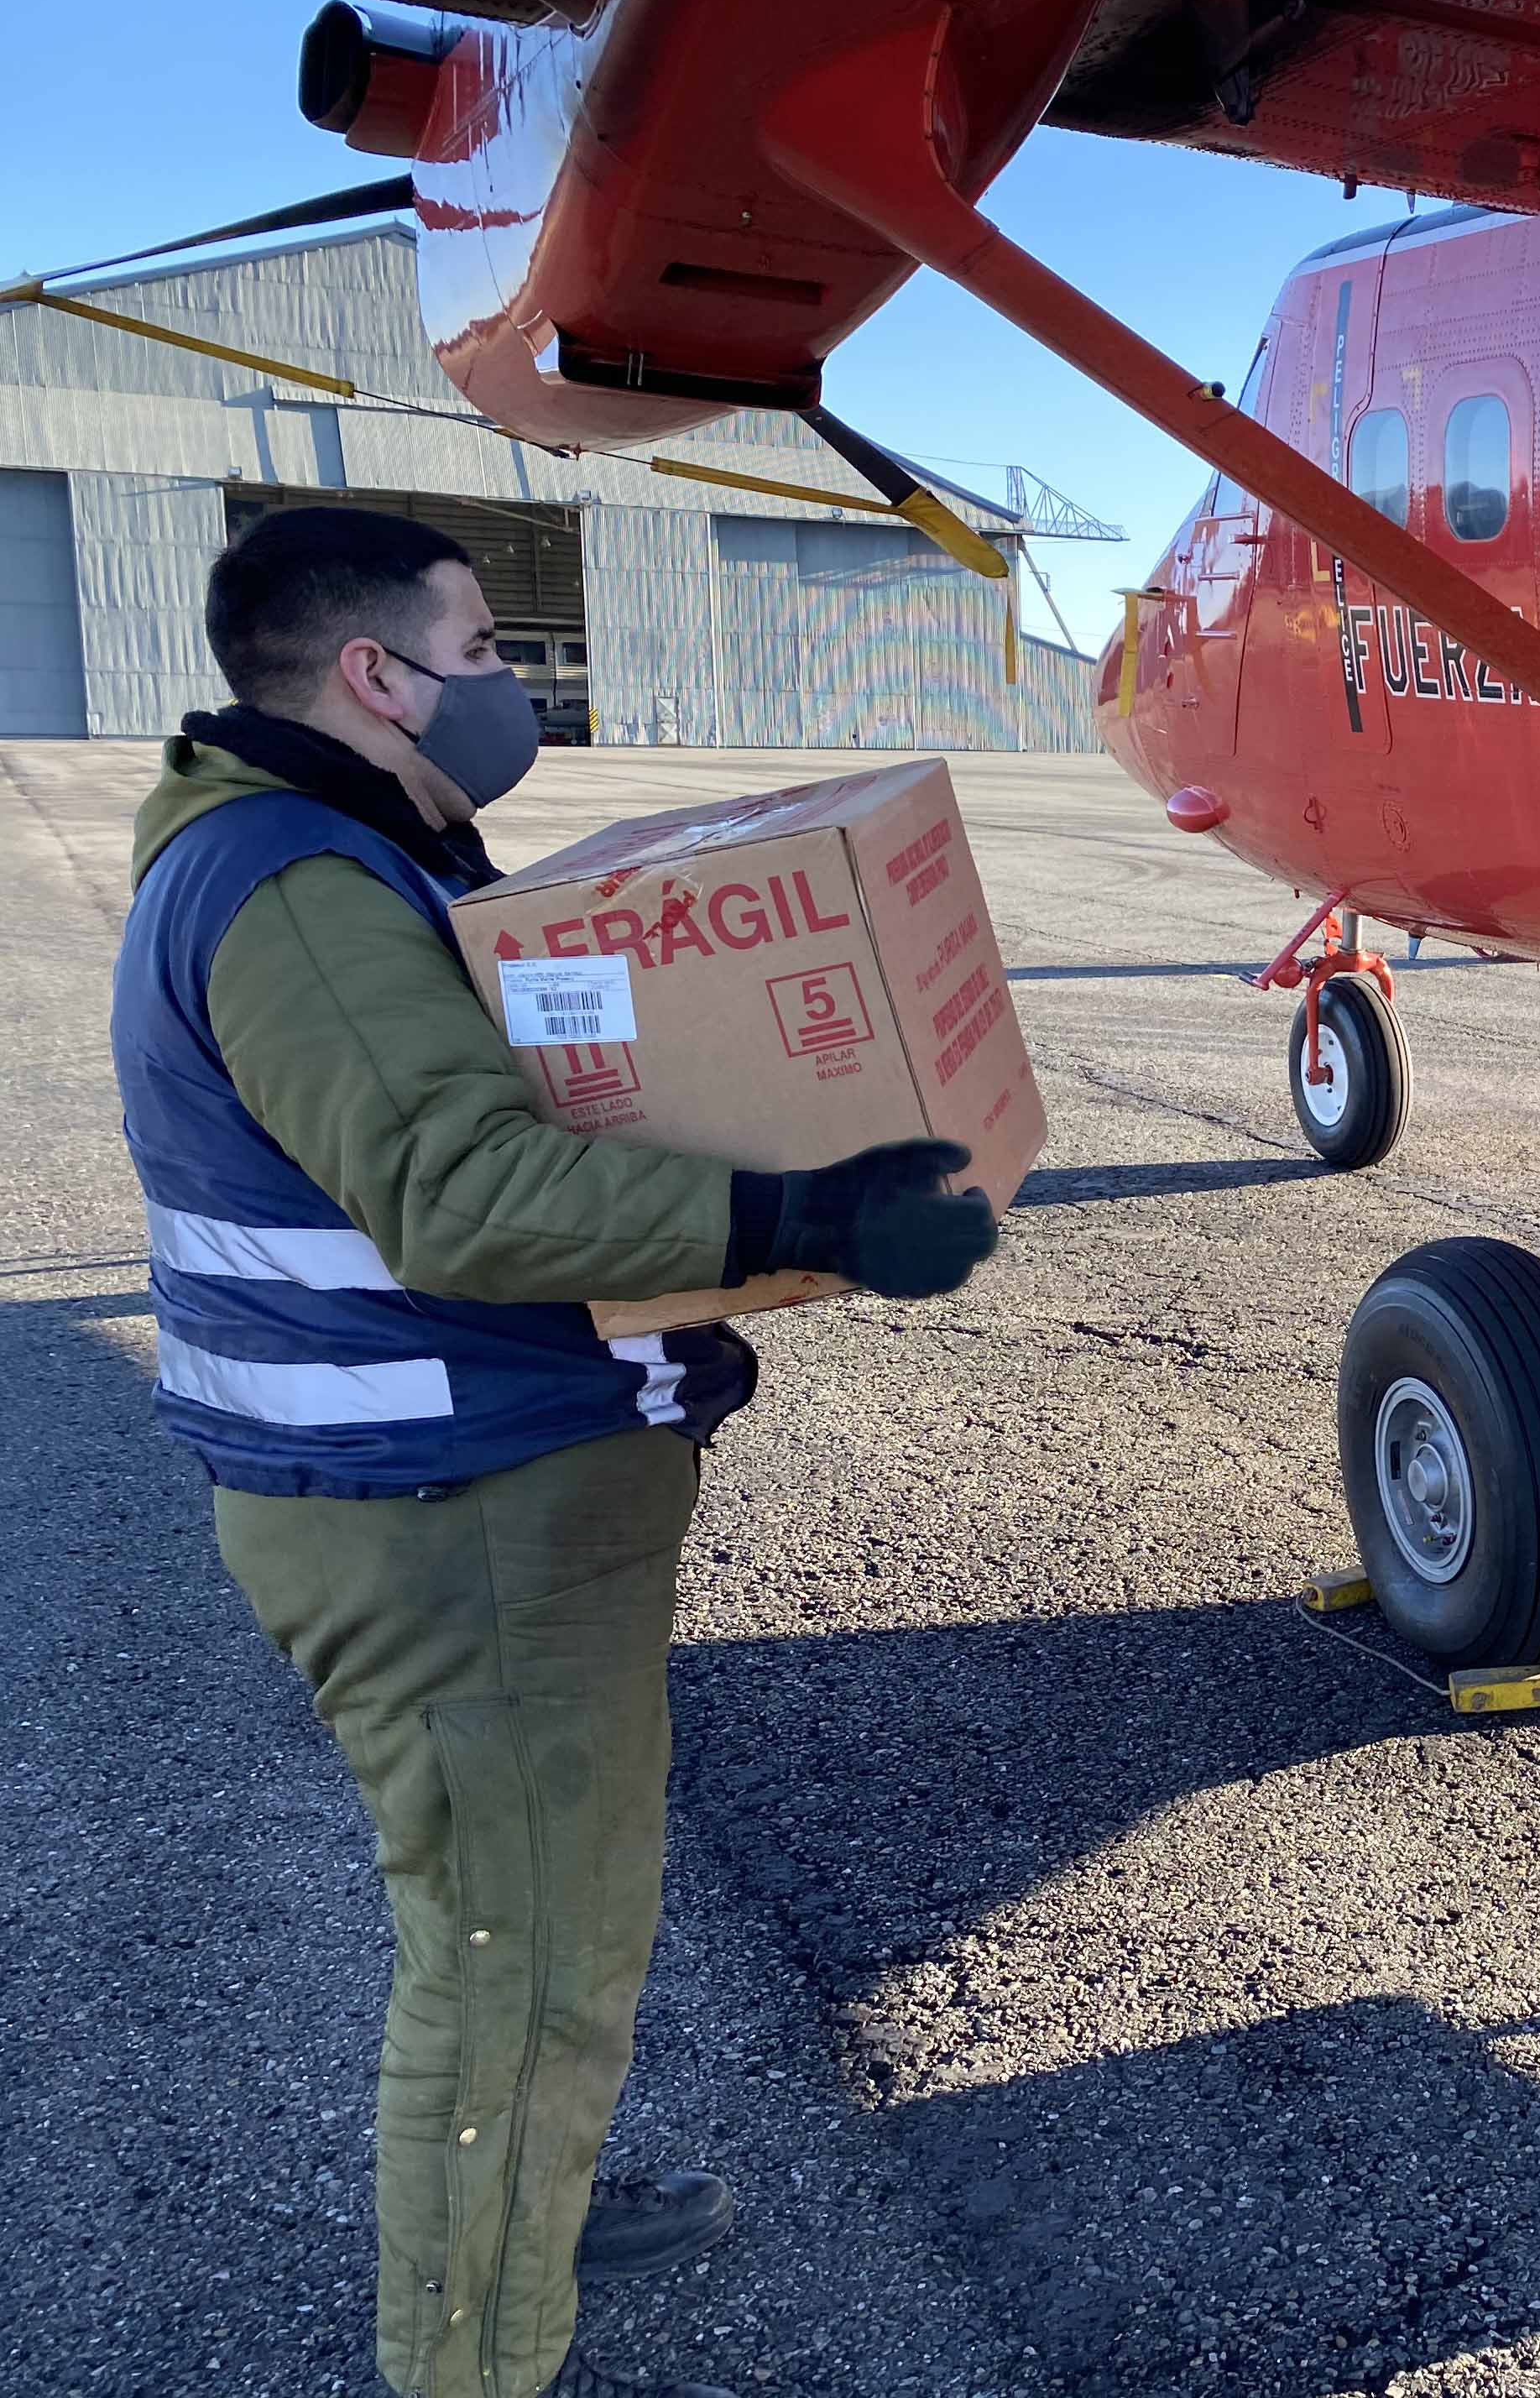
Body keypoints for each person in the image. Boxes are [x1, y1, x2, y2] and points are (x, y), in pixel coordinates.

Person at [110, 507, 1000, 2398]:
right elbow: (455, 1192)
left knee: (507, 1934)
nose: (512, 685)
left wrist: (676, 1328)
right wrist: (803, 1218)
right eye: (484, 650)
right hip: (449, 1525)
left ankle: (513, 2210)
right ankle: (476, 2343)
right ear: (376, 674)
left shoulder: (346, 853)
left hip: (461, 1490)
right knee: (521, 1971)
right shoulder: (297, 886)